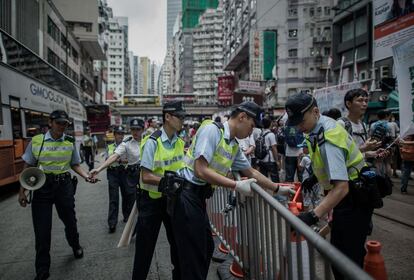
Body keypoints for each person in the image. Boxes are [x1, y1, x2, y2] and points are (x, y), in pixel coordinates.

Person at [170, 101, 293, 280]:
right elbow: (200, 169)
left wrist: (277, 188)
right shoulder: (212, 130)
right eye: (252, 126)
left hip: (198, 198)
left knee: (204, 248)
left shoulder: (232, 144)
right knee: (194, 255)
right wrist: (236, 185)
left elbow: (250, 171)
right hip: (186, 196)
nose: (252, 131)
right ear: (242, 117)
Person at [285, 93, 372, 279]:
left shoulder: (329, 135)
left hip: (354, 199)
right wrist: (314, 178)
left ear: (315, 112)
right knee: (339, 252)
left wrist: (312, 215)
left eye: (301, 121)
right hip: (345, 199)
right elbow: (325, 163)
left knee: (347, 260)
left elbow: (342, 187)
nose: (298, 126)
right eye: (295, 122)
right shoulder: (315, 129)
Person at [18, 110, 97, 280]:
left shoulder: (69, 142)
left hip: (64, 187)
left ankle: (75, 245)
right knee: (42, 230)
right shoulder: (37, 141)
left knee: (70, 221)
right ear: (50, 122)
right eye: (59, 123)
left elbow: (75, 164)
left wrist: (86, 176)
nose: (62, 126)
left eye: (65, 124)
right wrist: (22, 191)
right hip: (41, 188)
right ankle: (42, 269)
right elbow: (28, 167)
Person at [132, 101, 186, 280]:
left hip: (171, 200)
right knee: (145, 249)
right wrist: (167, 181)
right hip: (150, 202)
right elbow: (145, 176)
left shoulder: (179, 142)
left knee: (178, 244)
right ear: (168, 117)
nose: (183, 121)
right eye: (180, 117)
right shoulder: (152, 142)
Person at [90, 118, 144, 222]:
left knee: (136, 201)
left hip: (144, 176)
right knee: (117, 199)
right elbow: (113, 156)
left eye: (138, 129)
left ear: (142, 129)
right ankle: (120, 224)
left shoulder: (150, 141)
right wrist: (99, 169)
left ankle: (131, 220)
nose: (135, 132)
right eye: (133, 129)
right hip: (128, 175)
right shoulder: (126, 143)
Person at [105, 125, 129, 233]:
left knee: (126, 196)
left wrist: (117, 160)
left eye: (122, 134)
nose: (121, 136)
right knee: (113, 198)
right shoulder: (109, 147)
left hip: (124, 173)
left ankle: (127, 217)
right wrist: (118, 160)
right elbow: (107, 159)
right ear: (114, 135)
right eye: (119, 134)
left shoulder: (127, 146)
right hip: (112, 173)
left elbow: (129, 160)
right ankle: (112, 223)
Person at [258, 117, 280, 183]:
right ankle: (277, 192)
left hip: (262, 160)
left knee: (264, 180)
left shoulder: (261, 134)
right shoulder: (271, 135)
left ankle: (264, 192)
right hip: (270, 160)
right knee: (275, 180)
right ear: (270, 124)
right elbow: (274, 148)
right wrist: (277, 161)